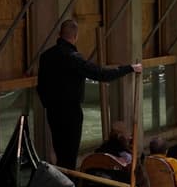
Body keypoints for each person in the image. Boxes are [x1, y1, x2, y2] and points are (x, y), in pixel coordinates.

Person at [37, 19, 142, 169]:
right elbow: (102, 74)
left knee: (61, 154)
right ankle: (69, 186)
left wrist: (48, 104)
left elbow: (41, 87)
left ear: (59, 34)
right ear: (76, 36)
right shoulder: (74, 58)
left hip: (53, 112)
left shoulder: (46, 56)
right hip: (71, 113)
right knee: (70, 156)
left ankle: (62, 183)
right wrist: (130, 68)